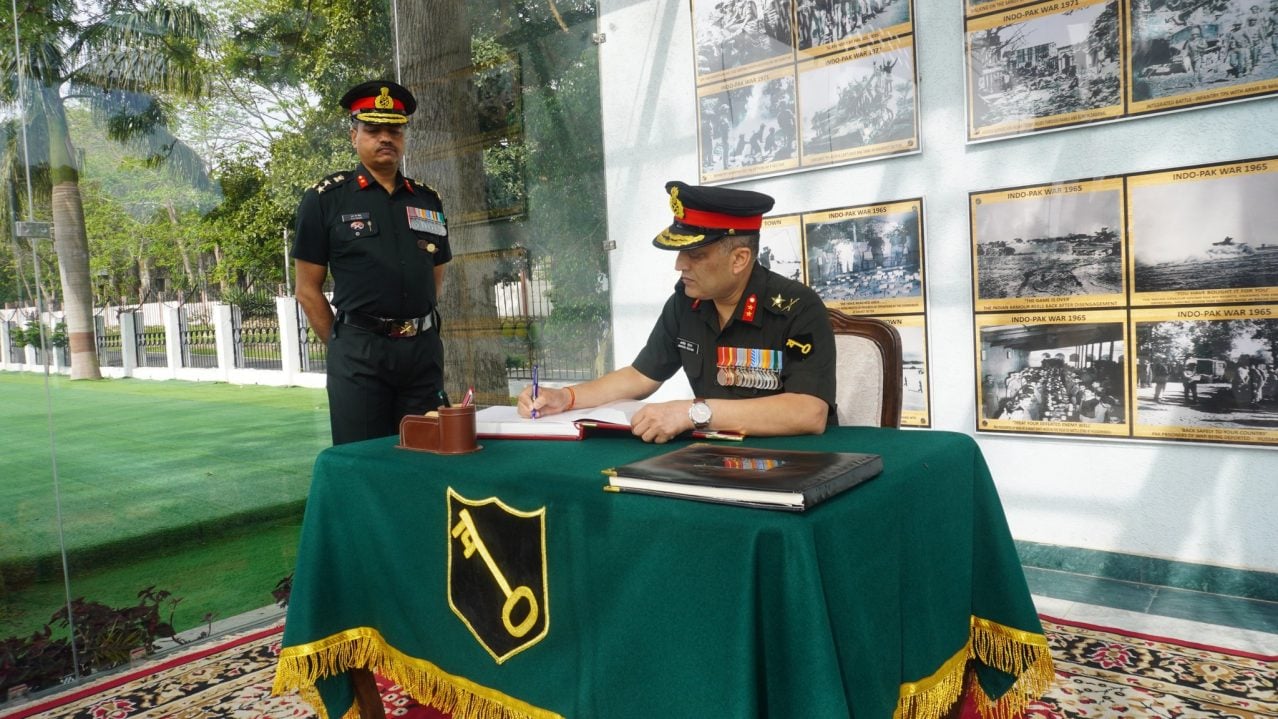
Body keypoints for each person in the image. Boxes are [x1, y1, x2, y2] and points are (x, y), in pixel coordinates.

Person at [517, 180, 837, 442]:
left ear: (739, 259)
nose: (679, 265)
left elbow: (808, 412)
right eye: (680, 252)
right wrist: (567, 397)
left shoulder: (798, 308)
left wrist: (691, 412)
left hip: (793, 465)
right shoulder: (687, 302)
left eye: (694, 254)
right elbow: (641, 376)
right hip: (713, 457)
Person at [292, 79, 452, 445]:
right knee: (362, 458)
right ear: (354, 137)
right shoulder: (326, 199)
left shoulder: (427, 200)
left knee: (424, 453)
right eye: (373, 129)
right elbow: (307, 289)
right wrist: (343, 349)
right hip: (360, 352)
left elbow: (436, 275)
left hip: (422, 352)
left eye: (394, 130)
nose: (386, 138)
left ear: (403, 138)